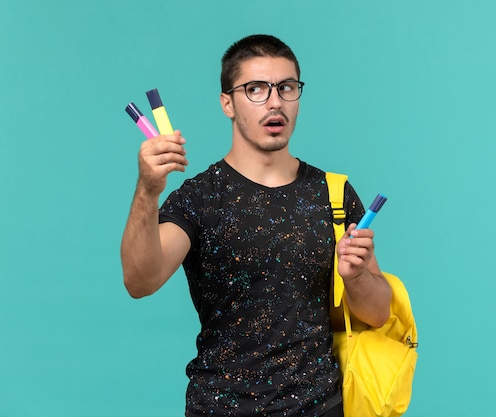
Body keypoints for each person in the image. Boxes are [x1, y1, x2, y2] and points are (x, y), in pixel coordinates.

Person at [120, 34, 392, 417]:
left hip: (321, 407)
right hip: (219, 408)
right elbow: (139, 280)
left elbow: (378, 313)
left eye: (286, 87)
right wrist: (148, 190)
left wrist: (357, 276)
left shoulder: (334, 194)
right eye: (256, 89)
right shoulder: (200, 197)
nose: (275, 101)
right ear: (227, 103)